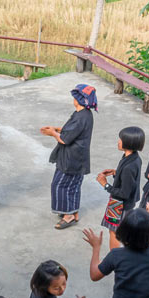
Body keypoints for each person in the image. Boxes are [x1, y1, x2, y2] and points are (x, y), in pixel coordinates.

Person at [41, 84, 97, 230]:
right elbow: (69, 130)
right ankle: (73, 211)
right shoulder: (82, 113)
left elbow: (65, 139)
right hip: (75, 156)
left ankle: (68, 216)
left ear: (79, 99)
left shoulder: (81, 117)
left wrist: (52, 133)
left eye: (75, 97)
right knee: (73, 186)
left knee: (60, 185)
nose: (73, 98)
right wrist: (56, 128)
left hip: (73, 158)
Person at [98, 126, 145, 250]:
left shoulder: (129, 167)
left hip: (120, 206)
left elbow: (124, 193)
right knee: (123, 231)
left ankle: (115, 258)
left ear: (129, 142)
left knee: (114, 232)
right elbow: (130, 180)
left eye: (121, 139)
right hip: (126, 205)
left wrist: (105, 184)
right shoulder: (133, 157)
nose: (118, 141)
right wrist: (116, 173)